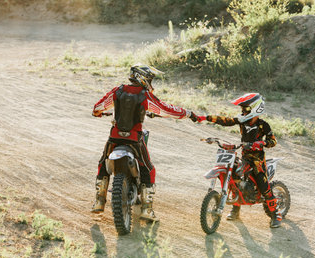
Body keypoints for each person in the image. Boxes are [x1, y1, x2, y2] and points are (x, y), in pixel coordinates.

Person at [91, 63, 199, 222]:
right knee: (148, 168)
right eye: (150, 78)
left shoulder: (118, 90)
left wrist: (98, 113)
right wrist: (187, 113)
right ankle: (147, 210)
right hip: (134, 139)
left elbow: (98, 107)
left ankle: (99, 201)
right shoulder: (144, 95)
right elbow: (165, 110)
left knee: (102, 163)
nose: (151, 82)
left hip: (115, 137)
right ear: (142, 77)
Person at [198, 93, 282, 228]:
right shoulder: (242, 121)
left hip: (257, 161)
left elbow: (273, 141)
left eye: (246, 109)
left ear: (255, 108)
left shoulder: (263, 125)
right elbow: (225, 120)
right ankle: (235, 209)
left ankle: (275, 214)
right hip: (245, 157)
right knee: (235, 178)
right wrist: (205, 117)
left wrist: (260, 144)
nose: (242, 111)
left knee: (263, 185)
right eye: (242, 109)